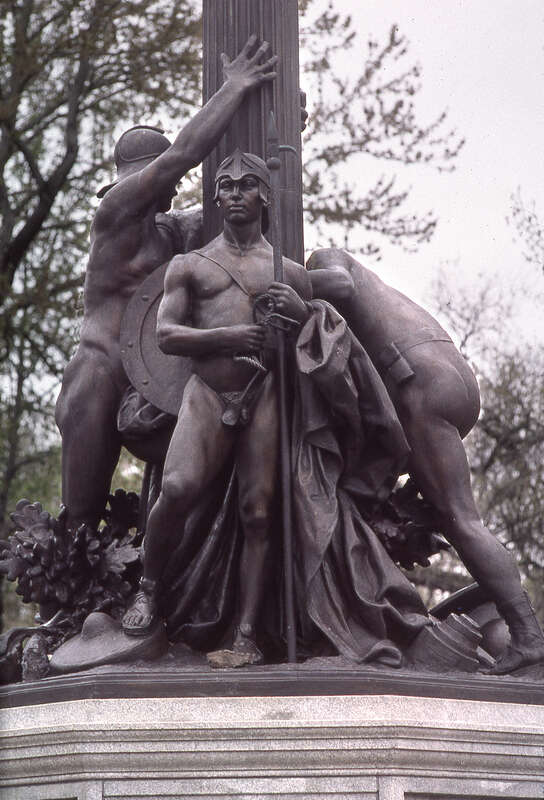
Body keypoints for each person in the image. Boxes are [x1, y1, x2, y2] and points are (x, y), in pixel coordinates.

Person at [55, 36, 277, 534]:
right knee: (82, 519)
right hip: (99, 372)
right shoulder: (113, 216)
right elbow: (183, 154)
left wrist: (278, 125)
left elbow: (238, 198)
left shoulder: (174, 231)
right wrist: (234, 88)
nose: (173, 187)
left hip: (156, 382)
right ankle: (69, 598)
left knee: (194, 485)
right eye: (162, 178)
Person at [306, 248, 544, 674]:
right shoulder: (370, 280)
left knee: (462, 520)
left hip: (418, 384)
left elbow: (337, 286)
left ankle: (528, 636)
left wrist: (268, 281)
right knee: (448, 512)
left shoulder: (324, 260)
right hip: (445, 377)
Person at [122, 150, 312, 662]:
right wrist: (230, 334)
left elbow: (308, 356)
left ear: (264, 196)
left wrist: (299, 319)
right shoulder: (190, 265)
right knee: (178, 487)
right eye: (224, 186)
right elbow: (165, 334)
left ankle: (246, 635)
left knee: (258, 512)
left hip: (265, 395)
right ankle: (148, 586)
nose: (232, 193)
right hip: (206, 392)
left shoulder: (290, 274)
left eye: (245, 185)